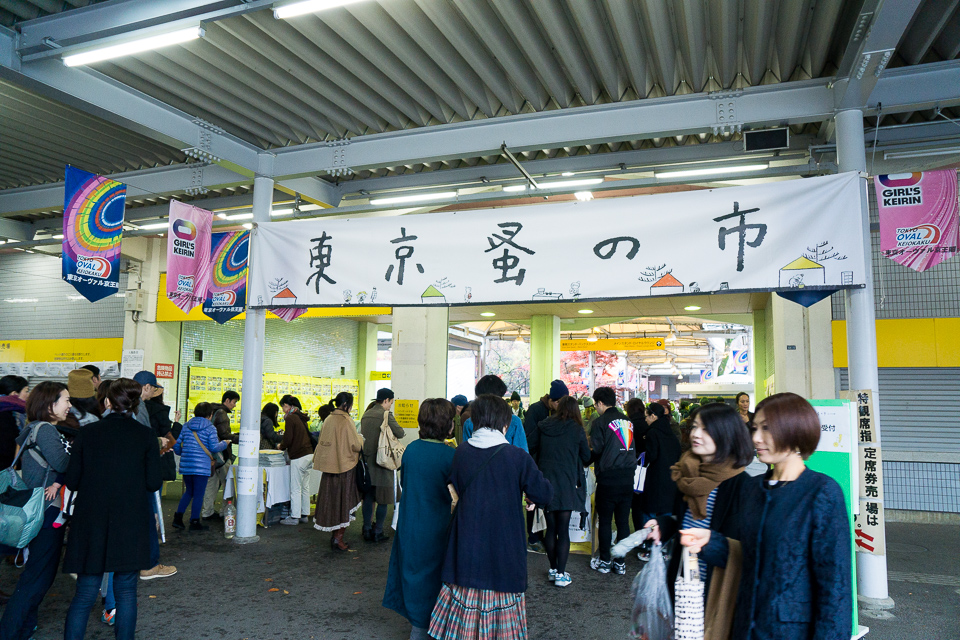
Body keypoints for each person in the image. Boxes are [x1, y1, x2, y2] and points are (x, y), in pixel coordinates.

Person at [681, 393, 852, 640]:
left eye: (767, 429)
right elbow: (749, 555)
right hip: (744, 625)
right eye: (755, 428)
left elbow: (836, 587)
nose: (756, 438)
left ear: (796, 432)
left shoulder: (822, 492)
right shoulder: (752, 489)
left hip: (790, 631)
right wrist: (711, 541)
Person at [428, 395, 553, 640]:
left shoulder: (461, 452)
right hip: (503, 545)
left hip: (467, 541)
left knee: (465, 599)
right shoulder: (517, 457)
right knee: (501, 598)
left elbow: (454, 484)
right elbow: (544, 492)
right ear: (505, 424)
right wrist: (531, 497)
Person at [61, 379, 163, 640]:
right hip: (130, 519)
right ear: (135, 404)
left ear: (107, 402)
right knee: (126, 590)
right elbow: (153, 483)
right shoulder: (145, 435)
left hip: (90, 519)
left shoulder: (88, 433)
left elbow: (71, 480)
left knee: (85, 592)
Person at [644, 403, 753, 609]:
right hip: (682, 585)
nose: (696, 433)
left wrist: (710, 542)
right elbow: (684, 521)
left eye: (706, 429)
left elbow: (745, 550)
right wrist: (664, 525)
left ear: (726, 434)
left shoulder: (743, 486)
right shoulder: (688, 475)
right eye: (694, 426)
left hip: (717, 593)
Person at [0, 382, 72, 639]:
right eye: (65, 400)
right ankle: (10, 631)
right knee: (38, 576)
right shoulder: (47, 431)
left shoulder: (30, 428)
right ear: (50, 404)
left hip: (31, 507)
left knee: (35, 573)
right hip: (46, 510)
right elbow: (64, 463)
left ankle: (26, 627)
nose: (69, 405)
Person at [383, 399, 457, 640]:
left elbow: (407, 483)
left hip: (410, 521)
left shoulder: (412, 449)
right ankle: (430, 628)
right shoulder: (449, 455)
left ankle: (417, 626)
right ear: (447, 425)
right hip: (436, 524)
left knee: (412, 572)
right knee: (435, 575)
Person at [527, 396, 590, 588]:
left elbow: (529, 446)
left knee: (550, 528)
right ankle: (561, 574)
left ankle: (553, 569)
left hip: (546, 482)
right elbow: (586, 457)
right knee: (563, 531)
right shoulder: (577, 429)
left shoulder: (543, 426)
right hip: (567, 483)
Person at [588, 386, 635, 575]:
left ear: (600, 403)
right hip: (628, 477)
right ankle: (621, 563)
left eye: (595, 405)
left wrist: (585, 460)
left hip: (608, 478)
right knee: (623, 521)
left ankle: (606, 561)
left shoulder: (600, 422)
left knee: (606, 521)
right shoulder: (628, 421)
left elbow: (597, 450)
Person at [312, 392, 363, 550]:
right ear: (347, 404)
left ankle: (334, 535)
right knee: (344, 502)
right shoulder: (346, 420)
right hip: (344, 468)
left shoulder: (328, 418)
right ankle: (338, 538)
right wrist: (361, 439)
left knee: (331, 502)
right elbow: (355, 445)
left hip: (328, 467)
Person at [171, 403, 231, 531]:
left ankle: (178, 518)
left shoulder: (186, 426)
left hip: (187, 466)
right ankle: (194, 521)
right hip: (201, 467)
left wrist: (182, 453)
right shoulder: (210, 428)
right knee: (198, 494)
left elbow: (176, 444)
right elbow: (214, 447)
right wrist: (224, 444)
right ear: (210, 415)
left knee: (189, 492)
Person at [359, 388, 405, 542]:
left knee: (369, 497)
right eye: (391, 403)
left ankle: (366, 529)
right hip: (383, 462)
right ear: (386, 400)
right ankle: (378, 531)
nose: (390, 406)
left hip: (367, 463)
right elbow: (400, 433)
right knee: (384, 500)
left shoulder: (366, 415)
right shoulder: (385, 415)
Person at [628, 401, 681, 531]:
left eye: (647, 416)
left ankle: (648, 541)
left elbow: (651, 456)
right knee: (666, 515)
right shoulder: (670, 432)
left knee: (648, 512)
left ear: (653, 416)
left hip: (655, 480)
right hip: (671, 480)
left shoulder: (652, 432)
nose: (645, 419)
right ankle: (664, 542)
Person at [200, 390, 240, 520]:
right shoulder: (222, 413)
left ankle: (207, 512)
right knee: (228, 484)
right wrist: (238, 438)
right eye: (234, 402)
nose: (234, 405)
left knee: (210, 484)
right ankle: (225, 510)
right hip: (221, 454)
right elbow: (224, 435)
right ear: (227, 400)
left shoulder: (212, 411)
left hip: (210, 455)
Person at [462, 376, 528, 452]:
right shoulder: (514, 421)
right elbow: (522, 453)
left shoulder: (470, 422)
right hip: (508, 462)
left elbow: (467, 453)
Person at [278, 395, 314, 526]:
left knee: (295, 488)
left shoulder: (291, 418)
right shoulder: (301, 417)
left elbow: (288, 439)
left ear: (289, 406)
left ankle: (294, 516)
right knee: (305, 487)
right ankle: (304, 514)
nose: (283, 409)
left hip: (298, 456)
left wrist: (280, 446)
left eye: (284, 406)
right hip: (309, 454)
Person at [0, 374, 28, 470]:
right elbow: (8, 448)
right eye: (26, 391)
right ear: (14, 394)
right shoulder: (8, 415)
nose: (28, 395)